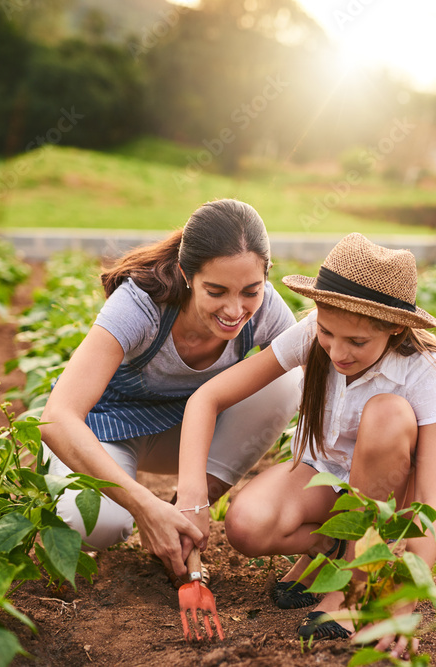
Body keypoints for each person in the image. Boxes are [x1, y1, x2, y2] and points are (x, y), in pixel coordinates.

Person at [177, 232, 436, 656]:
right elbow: (208, 397)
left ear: (396, 328)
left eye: (357, 342)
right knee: (246, 526)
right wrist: (192, 501)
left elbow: (432, 497)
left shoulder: (422, 371)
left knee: (386, 412)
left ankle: (356, 586)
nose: (337, 352)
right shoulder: (311, 333)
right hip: (325, 478)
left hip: (386, 497)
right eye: (327, 332)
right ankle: (334, 549)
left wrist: (404, 603)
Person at [39, 199, 301, 580]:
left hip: (187, 436)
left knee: (288, 375)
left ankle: (185, 519)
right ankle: (88, 484)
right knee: (96, 525)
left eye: (250, 290)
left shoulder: (266, 310)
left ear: (266, 275)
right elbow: (57, 416)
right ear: (186, 274)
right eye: (216, 291)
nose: (234, 309)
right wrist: (144, 506)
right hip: (109, 431)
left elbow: (320, 387)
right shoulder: (141, 305)